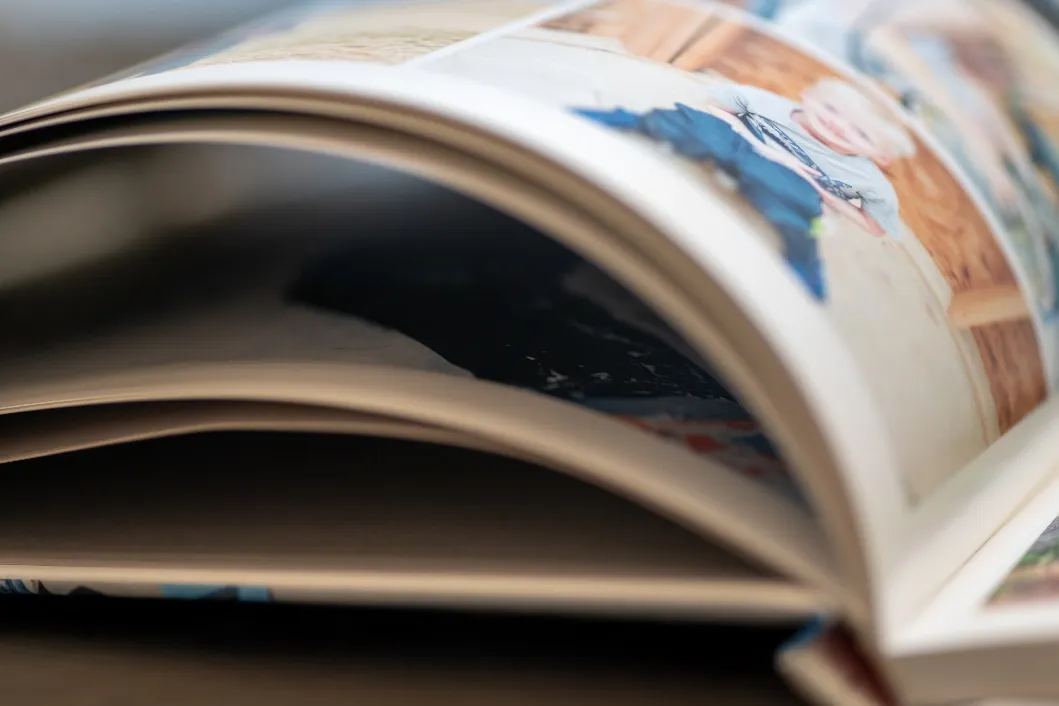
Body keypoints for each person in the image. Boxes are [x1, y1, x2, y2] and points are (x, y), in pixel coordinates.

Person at [700, 78, 914, 238]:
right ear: (807, 93)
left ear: (882, 156)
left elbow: (877, 228)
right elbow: (715, 103)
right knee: (696, 125)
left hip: (798, 194)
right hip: (751, 152)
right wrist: (764, 149)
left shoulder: (870, 181)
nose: (838, 125)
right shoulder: (770, 106)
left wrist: (829, 198)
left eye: (862, 134)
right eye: (831, 109)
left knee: (798, 219)